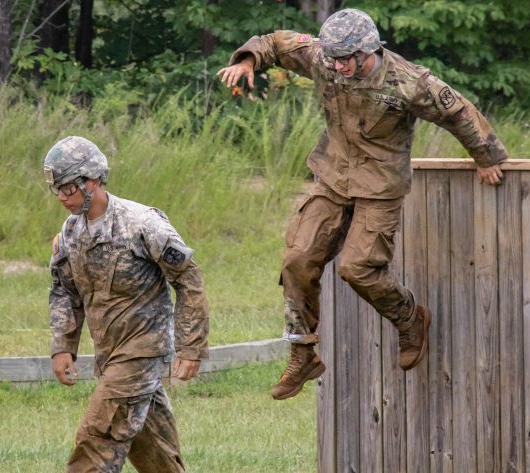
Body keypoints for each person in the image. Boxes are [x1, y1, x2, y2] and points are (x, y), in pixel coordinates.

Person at [217, 8, 508, 401]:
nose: (337, 67)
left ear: (367, 50)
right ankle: (302, 353)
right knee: (296, 261)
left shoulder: (408, 81)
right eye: (332, 59)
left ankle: (410, 319)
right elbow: (275, 43)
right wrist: (248, 59)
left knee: (358, 269)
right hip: (333, 175)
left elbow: (456, 111)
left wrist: (486, 157)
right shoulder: (323, 57)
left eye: (345, 60)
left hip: (380, 186)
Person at [44, 136, 209, 472]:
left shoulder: (143, 224)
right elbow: (64, 289)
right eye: (56, 189)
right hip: (110, 354)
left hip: (143, 351)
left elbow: (189, 280)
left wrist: (192, 347)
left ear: (91, 180)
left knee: (96, 441)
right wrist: (63, 345)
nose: (62, 196)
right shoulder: (71, 232)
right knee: (157, 456)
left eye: (68, 187)